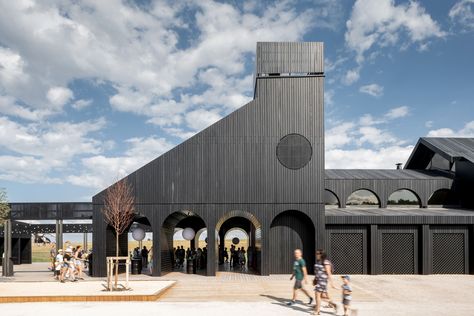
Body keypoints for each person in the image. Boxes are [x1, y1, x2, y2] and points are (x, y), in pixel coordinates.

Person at [312, 249, 337, 315]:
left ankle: (317, 311)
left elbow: (329, 273)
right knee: (322, 296)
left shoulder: (326, 262)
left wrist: (332, 284)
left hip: (322, 281)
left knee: (317, 296)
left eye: (318, 253)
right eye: (316, 253)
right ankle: (333, 304)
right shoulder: (318, 261)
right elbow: (317, 272)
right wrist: (315, 279)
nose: (316, 255)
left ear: (321, 254)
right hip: (319, 281)